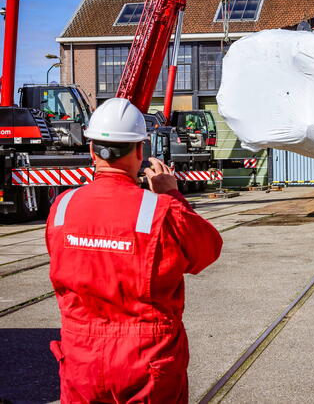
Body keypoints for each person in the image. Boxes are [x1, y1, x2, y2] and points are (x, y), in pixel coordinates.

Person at [45, 98, 222, 402]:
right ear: (140, 150)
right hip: (145, 363)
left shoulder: (63, 207)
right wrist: (172, 195)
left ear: (91, 150)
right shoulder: (160, 210)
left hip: (81, 360)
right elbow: (207, 250)